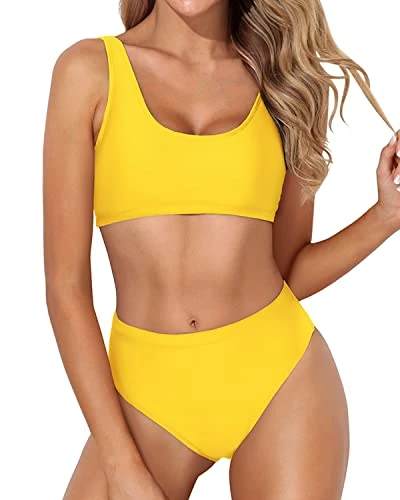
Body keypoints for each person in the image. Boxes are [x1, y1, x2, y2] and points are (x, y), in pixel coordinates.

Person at [42, 1, 400, 499]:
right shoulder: (88, 73)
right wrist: (121, 466)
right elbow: (65, 287)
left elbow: (288, 272)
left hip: (280, 380)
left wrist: (386, 216)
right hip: (147, 392)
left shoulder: (285, 85)